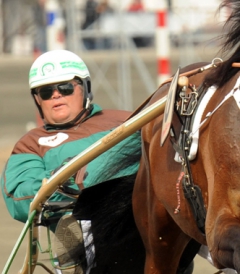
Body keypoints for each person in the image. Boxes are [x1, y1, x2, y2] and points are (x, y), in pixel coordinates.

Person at [0, 49, 141, 273]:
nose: (56, 95)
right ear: (37, 99)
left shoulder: (128, 121)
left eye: (65, 88)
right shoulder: (30, 144)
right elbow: (21, 195)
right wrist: (73, 184)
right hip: (85, 223)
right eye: (46, 92)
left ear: (85, 88)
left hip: (142, 208)